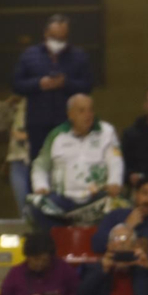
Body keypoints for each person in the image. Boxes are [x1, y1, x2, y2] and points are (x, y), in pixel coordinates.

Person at [25, 94, 123, 230]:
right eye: (82, 111)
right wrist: (41, 186)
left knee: (119, 207)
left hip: (96, 199)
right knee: (36, 208)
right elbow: (40, 165)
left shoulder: (106, 131)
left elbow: (115, 160)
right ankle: (56, 246)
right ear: (70, 115)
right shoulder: (57, 135)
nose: (88, 115)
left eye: (90, 110)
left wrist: (114, 182)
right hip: (63, 199)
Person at [11, 13, 93, 159]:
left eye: (63, 38)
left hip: (69, 123)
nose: (59, 41)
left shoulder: (79, 56)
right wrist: (39, 84)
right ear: (46, 33)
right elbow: (16, 84)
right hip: (38, 123)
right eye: (55, 37)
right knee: (39, 164)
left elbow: (87, 86)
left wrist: (66, 83)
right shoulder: (29, 55)